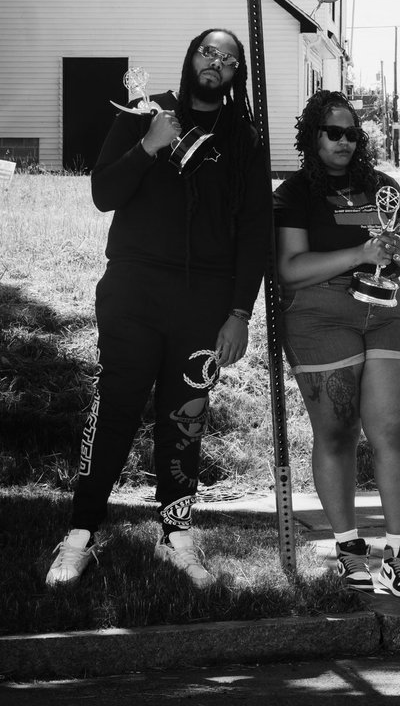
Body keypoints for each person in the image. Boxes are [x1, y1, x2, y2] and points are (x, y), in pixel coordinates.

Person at [46, 29, 268, 589]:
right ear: (189, 57)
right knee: (115, 407)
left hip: (204, 301)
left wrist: (240, 313)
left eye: (227, 59)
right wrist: (149, 144)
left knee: (185, 419)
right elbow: (103, 193)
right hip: (133, 290)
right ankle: (81, 532)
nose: (214, 64)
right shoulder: (142, 112)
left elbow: (254, 234)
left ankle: (175, 535)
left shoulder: (244, 137)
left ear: (237, 73)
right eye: (206, 53)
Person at [274, 90, 400, 599]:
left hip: (384, 312)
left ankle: (399, 555)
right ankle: (348, 548)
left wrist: (396, 250)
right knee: (337, 432)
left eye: (352, 134)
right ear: (312, 135)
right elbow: (291, 270)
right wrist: (360, 251)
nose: (344, 142)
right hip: (319, 314)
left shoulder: (380, 186)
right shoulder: (295, 193)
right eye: (333, 132)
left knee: (397, 431)